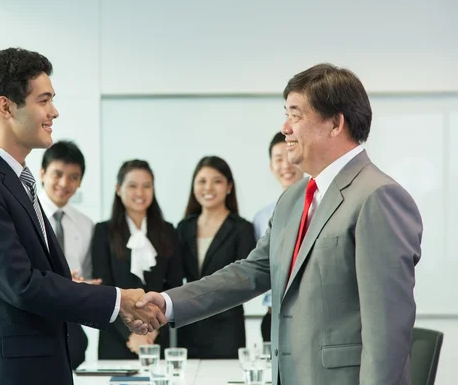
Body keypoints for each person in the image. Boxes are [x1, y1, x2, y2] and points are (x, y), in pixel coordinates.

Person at [135, 63, 423, 385]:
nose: (285, 127)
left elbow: (386, 332)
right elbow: (252, 271)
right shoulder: (294, 198)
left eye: (296, 115)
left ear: (335, 123)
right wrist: (170, 302)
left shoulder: (378, 197)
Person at [0, 47, 164, 385]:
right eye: (44, 100)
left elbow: (27, 276)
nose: (54, 112)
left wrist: (69, 283)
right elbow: (21, 285)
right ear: (6, 107)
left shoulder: (15, 181)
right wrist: (119, 300)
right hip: (8, 376)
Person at [92, 160, 183, 359]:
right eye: (132, 186)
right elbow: (103, 290)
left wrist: (153, 330)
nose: (140, 193)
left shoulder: (168, 231)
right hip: (115, 340)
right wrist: (131, 334)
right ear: (118, 189)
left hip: (157, 339)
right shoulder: (103, 232)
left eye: (146, 186)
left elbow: (174, 286)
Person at [176, 156, 256, 359]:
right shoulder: (184, 227)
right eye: (202, 181)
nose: (208, 187)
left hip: (226, 329)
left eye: (217, 181)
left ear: (229, 187)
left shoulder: (242, 229)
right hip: (188, 327)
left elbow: (244, 281)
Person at [39, 140, 102, 369]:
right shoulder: (23, 214)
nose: (64, 183)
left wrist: (82, 285)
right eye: (58, 174)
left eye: (73, 177)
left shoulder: (86, 225)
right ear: (43, 173)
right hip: (34, 321)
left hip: (71, 328)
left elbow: (87, 274)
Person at [253, 132, 304, 342]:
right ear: (271, 166)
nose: (286, 165)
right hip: (273, 316)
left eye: (290, 156)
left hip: (308, 319)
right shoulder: (262, 217)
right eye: (278, 159)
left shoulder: (321, 207)